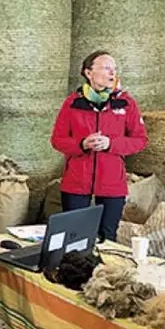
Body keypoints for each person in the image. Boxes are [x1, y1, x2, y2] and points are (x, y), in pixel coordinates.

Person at [50, 51, 148, 242]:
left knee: (107, 238)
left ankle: (105, 272)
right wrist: (82, 144)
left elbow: (140, 140)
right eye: (105, 67)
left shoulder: (126, 103)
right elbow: (57, 139)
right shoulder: (73, 103)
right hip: (76, 183)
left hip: (112, 184)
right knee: (74, 238)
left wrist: (112, 143)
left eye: (114, 69)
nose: (112, 72)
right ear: (89, 73)